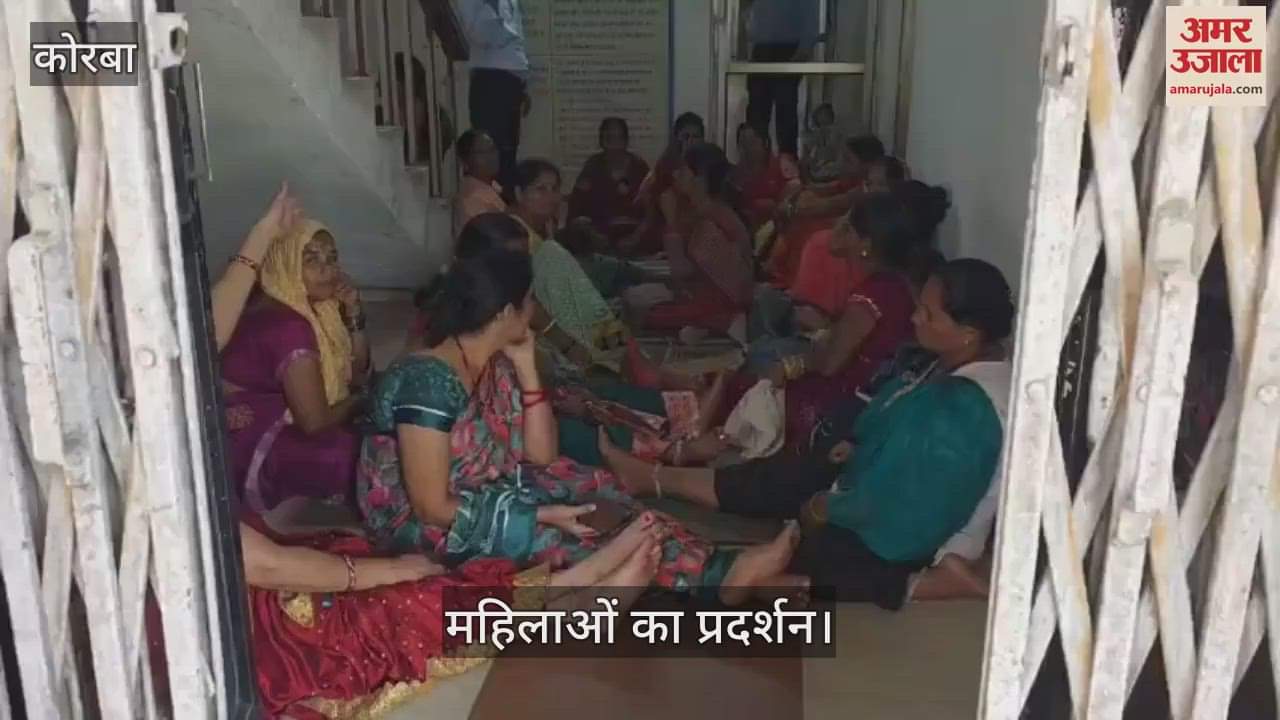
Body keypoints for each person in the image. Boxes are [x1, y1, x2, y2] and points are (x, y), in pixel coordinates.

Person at [357, 248, 806, 604]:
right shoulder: (428, 381)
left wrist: (527, 367)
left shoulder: (493, 360)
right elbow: (431, 505)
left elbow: (541, 456)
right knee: (558, 537)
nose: (536, 309)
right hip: (420, 522)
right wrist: (537, 514)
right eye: (531, 300)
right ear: (507, 312)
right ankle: (720, 575)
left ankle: (719, 568)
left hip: (490, 487)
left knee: (596, 491)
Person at [601, 258, 1015, 608]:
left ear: (968, 332)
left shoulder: (959, 409)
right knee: (792, 474)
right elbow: (883, 414)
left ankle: (922, 583)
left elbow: (902, 516)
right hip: (871, 489)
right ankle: (656, 480)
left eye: (927, 313)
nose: (913, 318)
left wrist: (828, 507)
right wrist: (849, 450)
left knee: (782, 563)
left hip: (900, 543)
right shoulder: (949, 364)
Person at [731, 192, 919, 452]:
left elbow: (830, 364)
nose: (838, 228)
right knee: (764, 351)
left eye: (848, 226)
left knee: (749, 378)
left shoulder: (871, 296)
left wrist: (789, 366)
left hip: (848, 405)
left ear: (865, 244)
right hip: (867, 393)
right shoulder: (894, 284)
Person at [220, 218, 371, 512]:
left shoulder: (316, 308)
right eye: (311, 259)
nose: (326, 269)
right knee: (357, 455)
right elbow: (315, 422)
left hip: (276, 413)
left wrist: (353, 313)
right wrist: (361, 401)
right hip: (250, 437)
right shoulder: (290, 325)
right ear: (285, 262)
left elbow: (357, 372)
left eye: (332, 258)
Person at [636, 143, 755, 339]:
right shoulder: (706, 212)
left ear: (701, 178)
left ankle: (719, 324)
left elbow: (682, 272)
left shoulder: (713, 221)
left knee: (647, 316)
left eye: (683, 170)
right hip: (706, 302)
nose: (676, 175)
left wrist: (671, 222)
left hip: (722, 306)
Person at [765, 135, 886, 287]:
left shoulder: (862, 190)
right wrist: (795, 196)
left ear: (867, 165)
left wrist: (790, 208)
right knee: (798, 195)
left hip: (853, 236)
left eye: (848, 160)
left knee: (806, 222)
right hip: (842, 227)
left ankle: (789, 278)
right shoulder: (850, 181)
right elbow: (817, 189)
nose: (842, 164)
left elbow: (828, 205)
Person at [458, 0, 530, 192]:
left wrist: (523, 85)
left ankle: (502, 207)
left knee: (507, 154)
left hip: (511, 82)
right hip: (491, 80)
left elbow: (517, 39)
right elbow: (483, 36)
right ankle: (486, 209)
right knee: (490, 155)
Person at [622, 112, 707, 257]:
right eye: (686, 137)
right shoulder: (664, 170)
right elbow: (648, 213)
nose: (691, 142)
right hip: (666, 238)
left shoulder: (708, 166)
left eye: (696, 137)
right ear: (677, 138)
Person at [744, 0, 822, 157]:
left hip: (788, 50)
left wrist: (802, 52)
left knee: (785, 115)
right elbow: (752, 20)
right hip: (762, 50)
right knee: (757, 114)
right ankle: (757, 162)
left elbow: (810, 23)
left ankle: (787, 165)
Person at [568, 117, 651, 248]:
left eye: (619, 138)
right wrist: (593, 235)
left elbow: (652, 212)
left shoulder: (639, 167)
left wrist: (635, 238)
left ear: (626, 140)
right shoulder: (593, 166)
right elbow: (576, 210)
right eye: (610, 138)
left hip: (636, 238)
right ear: (601, 141)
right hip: (600, 238)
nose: (615, 144)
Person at [730, 122, 799, 233]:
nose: (747, 148)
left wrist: (776, 206)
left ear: (765, 143)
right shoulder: (735, 175)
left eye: (751, 142)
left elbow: (796, 191)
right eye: (743, 143)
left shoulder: (782, 164)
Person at [452, 129, 507, 236]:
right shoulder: (471, 199)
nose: (492, 156)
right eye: (483, 152)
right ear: (465, 161)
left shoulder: (494, 186)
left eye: (493, 149)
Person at [800, 103, 845, 183]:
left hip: (833, 168)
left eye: (827, 114)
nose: (825, 117)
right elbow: (806, 157)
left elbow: (841, 154)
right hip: (816, 170)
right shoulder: (812, 136)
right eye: (822, 114)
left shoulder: (838, 133)